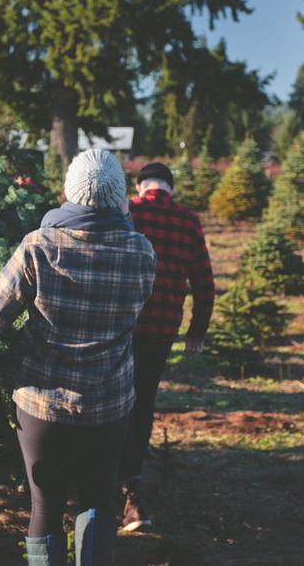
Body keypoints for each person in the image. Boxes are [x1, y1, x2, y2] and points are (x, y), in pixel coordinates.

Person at [0, 149, 157, 566]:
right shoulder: (141, 252)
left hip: (41, 403)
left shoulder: (39, 245)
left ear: (68, 191)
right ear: (120, 197)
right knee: (98, 498)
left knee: (44, 505)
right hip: (108, 403)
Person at [116, 162, 215, 532]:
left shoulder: (127, 209)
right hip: (161, 330)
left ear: (140, 185)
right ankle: (133, 482)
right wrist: (196, 332)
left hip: (120, 325)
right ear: (170, 188)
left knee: (112, 399)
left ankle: (114, 477)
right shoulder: (189, 222)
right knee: (142, 402)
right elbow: (205, 283)